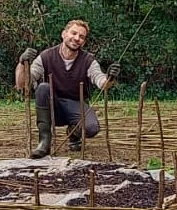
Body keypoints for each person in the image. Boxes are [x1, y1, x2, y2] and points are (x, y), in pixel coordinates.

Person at [26, 19, 114, 158]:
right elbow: (23, 83)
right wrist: (22, 63)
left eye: (81, 37)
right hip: (52, 106)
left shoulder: (88, 60)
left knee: (92, 128)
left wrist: (110, 78)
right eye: (74, 33)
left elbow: (101, 82)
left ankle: (74, 133)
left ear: (84, 42)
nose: (77, 38)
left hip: (76, 105)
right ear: (64, 34)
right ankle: (44, 141)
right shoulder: (46, 56)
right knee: (43, 88)